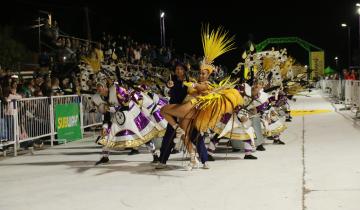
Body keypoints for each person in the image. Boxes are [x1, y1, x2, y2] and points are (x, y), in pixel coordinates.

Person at [160, 25, 243, 170]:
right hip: (185, 110)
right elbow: (188, 88)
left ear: (209, 75)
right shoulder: (193, 82)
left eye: (204, 73)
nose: (201, 75)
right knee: (186, 137)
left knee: (163, 110)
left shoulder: (205, 84)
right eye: (200, 73)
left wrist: (190, 84)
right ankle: (193, 159)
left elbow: (195, 88)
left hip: (189, 108)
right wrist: (174, 86)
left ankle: (200, 156)